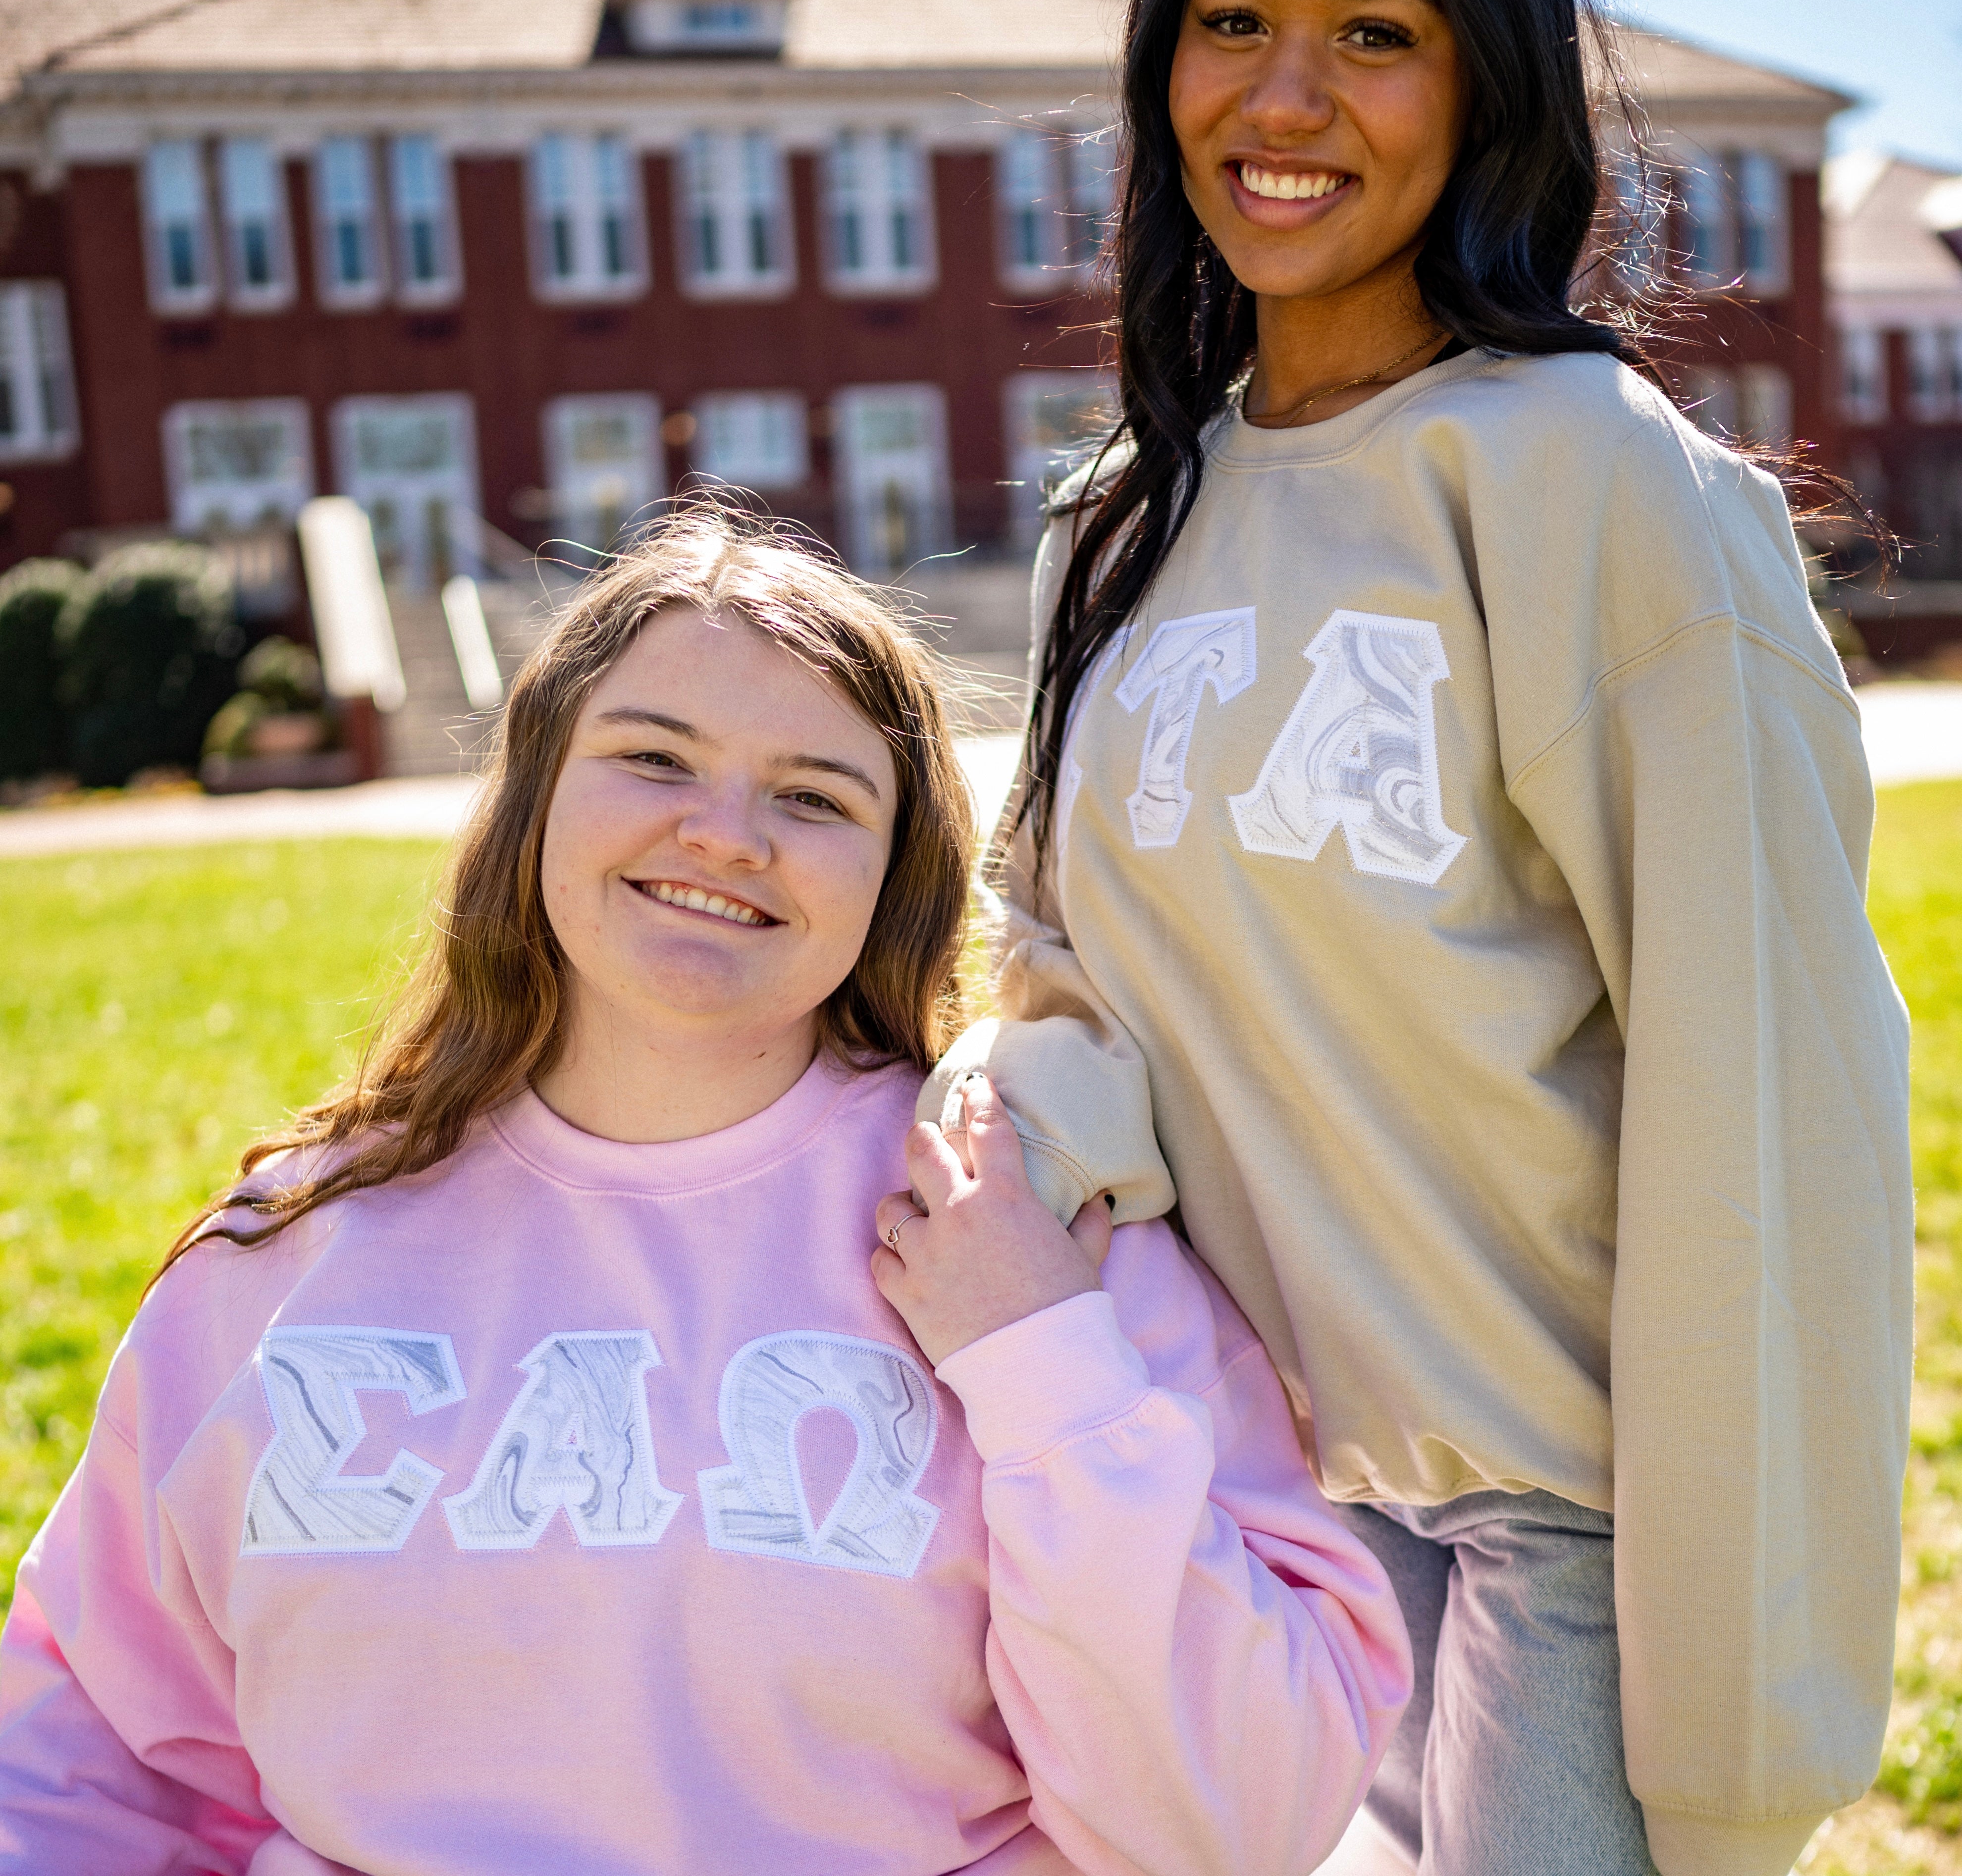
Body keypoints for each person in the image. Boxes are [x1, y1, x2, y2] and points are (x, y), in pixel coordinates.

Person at [922, 0, 1914, 1874]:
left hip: (1564, 1523)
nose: (1281, 99)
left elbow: (1774, 1100)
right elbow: (1077, 997)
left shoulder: (1599, 486)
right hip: (1258, 1503)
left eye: (1373, 32)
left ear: (1489, 84)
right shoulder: (1117, 524)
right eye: (1231, 22)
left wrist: (1729, 1691)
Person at [0, 510, 1410, 1876]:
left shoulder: (1029, 1226)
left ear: (893, 873)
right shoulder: (282, 1260)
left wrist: (1045, 1369)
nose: (727, 832)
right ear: (536, 798)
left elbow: (1238, 1818)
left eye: (814, 795)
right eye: (655, 758)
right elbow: (92, 1760)